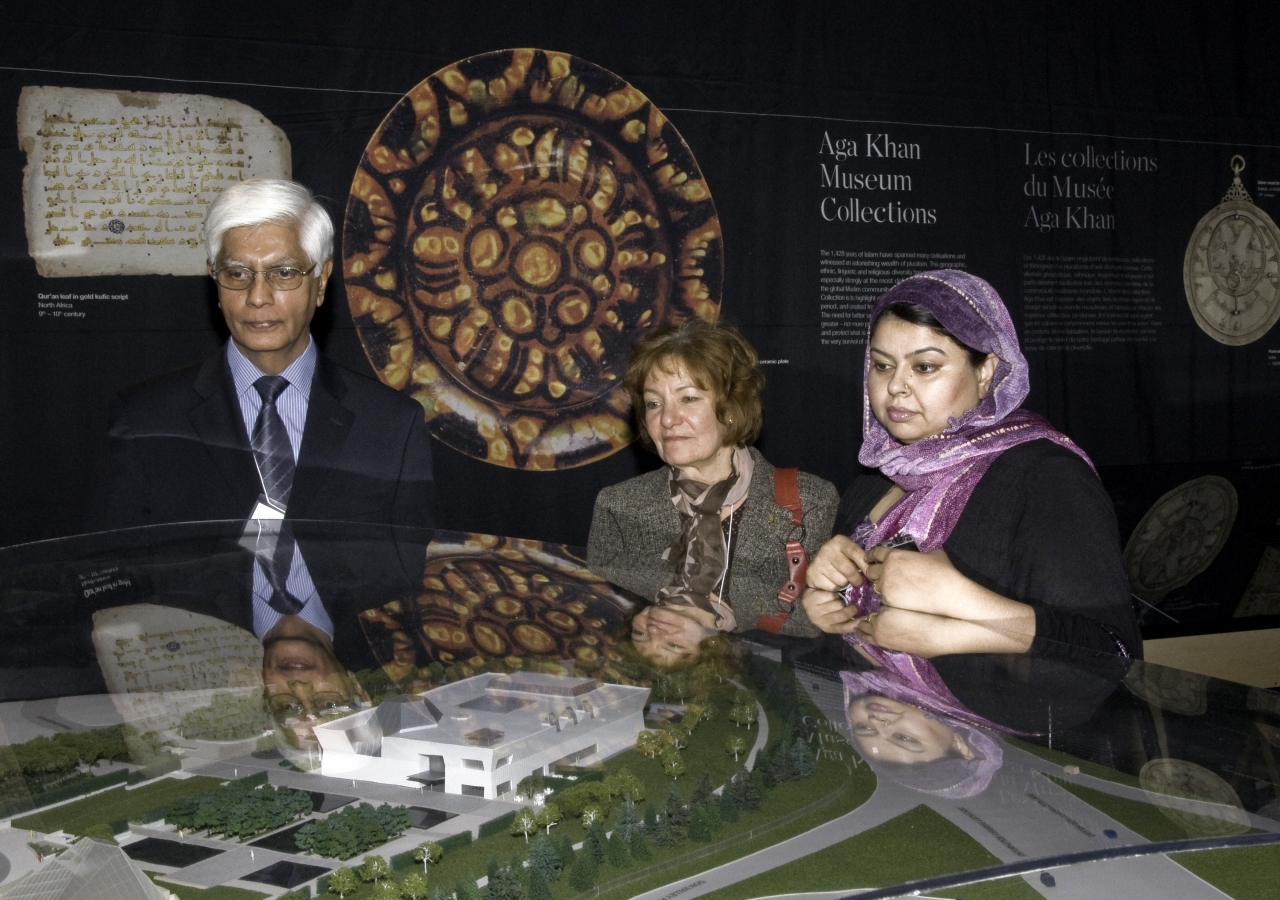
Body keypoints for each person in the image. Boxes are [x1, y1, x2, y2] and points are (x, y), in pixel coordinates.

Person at [802, 270, 1140, 704]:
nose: (896, 386)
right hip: (883, 743)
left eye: (925, 367)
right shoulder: (879, 476)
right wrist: (827, 597)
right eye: (882, 365)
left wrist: (955, 608)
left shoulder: (1045, 477)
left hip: (999, 752)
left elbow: (1111, 652)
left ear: (987, 371)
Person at [84, 179, 439, 532]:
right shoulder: (145, 421)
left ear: (322, 280)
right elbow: (113, 568)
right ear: (215, 280)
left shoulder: (391, 425)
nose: (257, 296)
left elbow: (410, 573)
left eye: (284, 273)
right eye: (237, 273)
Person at [588, 319, 838, 665]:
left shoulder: (810, 501)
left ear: (732, 408)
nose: (668, 419)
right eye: (654, 403)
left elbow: (814, 626)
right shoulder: (618, 506)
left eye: (688, 398)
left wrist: (718, 627)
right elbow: (609, 616)